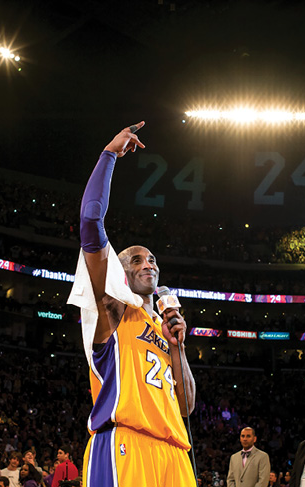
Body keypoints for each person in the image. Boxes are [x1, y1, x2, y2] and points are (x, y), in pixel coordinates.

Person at [67, 121, 196, 487]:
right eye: (136, 260)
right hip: (126, 441)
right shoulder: (112, 309)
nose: (148, 264)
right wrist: (109, 155)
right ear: (119, 274)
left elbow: (186, 407)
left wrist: (178, 348)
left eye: (152, 259)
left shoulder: (164, 325)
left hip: (175, 451)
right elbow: (91, 220)